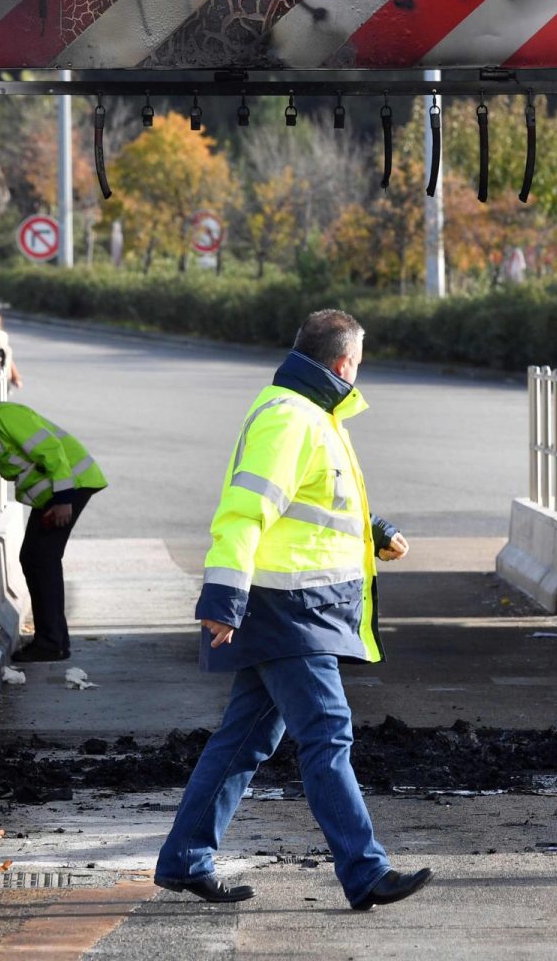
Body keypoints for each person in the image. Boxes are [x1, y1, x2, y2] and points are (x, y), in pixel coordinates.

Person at [154, 309, 433, 911]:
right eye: (359, 362)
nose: (360, 372)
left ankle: (184, 858)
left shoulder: (314, 416)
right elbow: (244, 512)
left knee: (244, 740)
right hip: (287, 610)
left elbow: (313, 503)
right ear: (343, 362)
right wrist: (223, 599)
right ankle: (364, 871)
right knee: (327, 734)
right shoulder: (290, 419)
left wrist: (373, 530)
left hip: (294, 607)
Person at [0, 398, 104, 663]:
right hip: (59, 490)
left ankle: (51, 643)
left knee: (40, 558)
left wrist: (63, 499)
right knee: (38, 558)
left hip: (68, 485)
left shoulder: (3, 416)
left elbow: (51, 450)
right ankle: (55, 640)